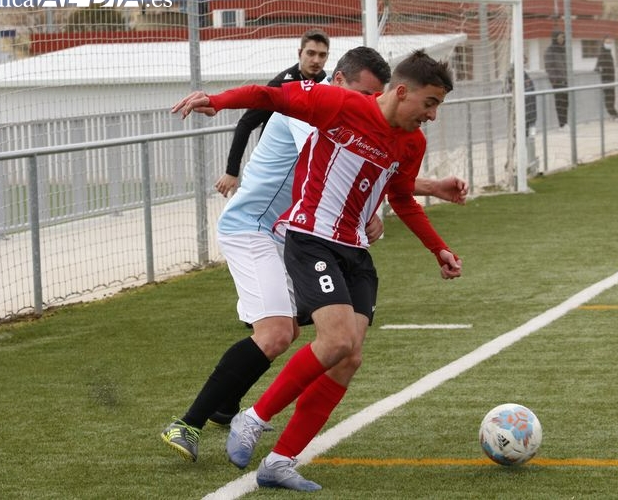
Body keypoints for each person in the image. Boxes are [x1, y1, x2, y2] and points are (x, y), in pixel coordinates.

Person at [160, 47, 469, 466]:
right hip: (262, 229)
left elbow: (381, 176)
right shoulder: (326, 109)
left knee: (342, 351)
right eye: (429, 104)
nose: (431, 114)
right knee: (281, 334)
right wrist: (216, 101)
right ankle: (196, 422)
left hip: (323, 238)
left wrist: (434, 241)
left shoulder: (403, 136)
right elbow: (279, 106)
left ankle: (259, 440)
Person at [214, 28, 330, 197]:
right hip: (274, 169)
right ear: (300, 53)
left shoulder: (326, 84)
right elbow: (246, 123)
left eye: (322, 55)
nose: (316, 60)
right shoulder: (281, 85)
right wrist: (232, 171)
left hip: (308, 169)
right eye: (311, 53)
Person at [544, 30, 568, 128]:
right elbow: (549, 67)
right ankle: (561, 124)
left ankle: (565, 122)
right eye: (560, 37)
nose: (562, 39)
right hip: (558, 82)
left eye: (563, 37)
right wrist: (554, 80)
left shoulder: (563, 49)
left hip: (565, 81)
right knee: (559, 103)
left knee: (566, 103)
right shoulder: (550, 51)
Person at [594, 36, 618, 119]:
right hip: (606, 79)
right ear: (603, 43)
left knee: (612, 97)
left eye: (610, 43)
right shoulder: (602, 53)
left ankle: (613, 114)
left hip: (611, 79)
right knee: (609, 98)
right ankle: (613, 114)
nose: (609, 44)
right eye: (607, 43)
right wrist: (600, 69)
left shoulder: (609, 53)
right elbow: (597, 67)